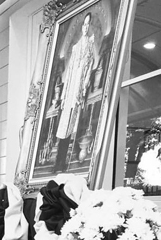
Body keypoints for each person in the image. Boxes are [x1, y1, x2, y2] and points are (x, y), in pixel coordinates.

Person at [54, 11, 96, 171]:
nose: (85, 27)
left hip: (79, 88)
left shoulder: (90, 45)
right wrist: (65, 93)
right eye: (84, 24)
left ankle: (69, 159)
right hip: (71, 88)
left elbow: (89, 66)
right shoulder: (76, 46)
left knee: (75, 122)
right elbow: (71, 68)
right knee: (65, 124)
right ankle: (59, 161)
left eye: (88, 25)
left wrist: (84, 85)